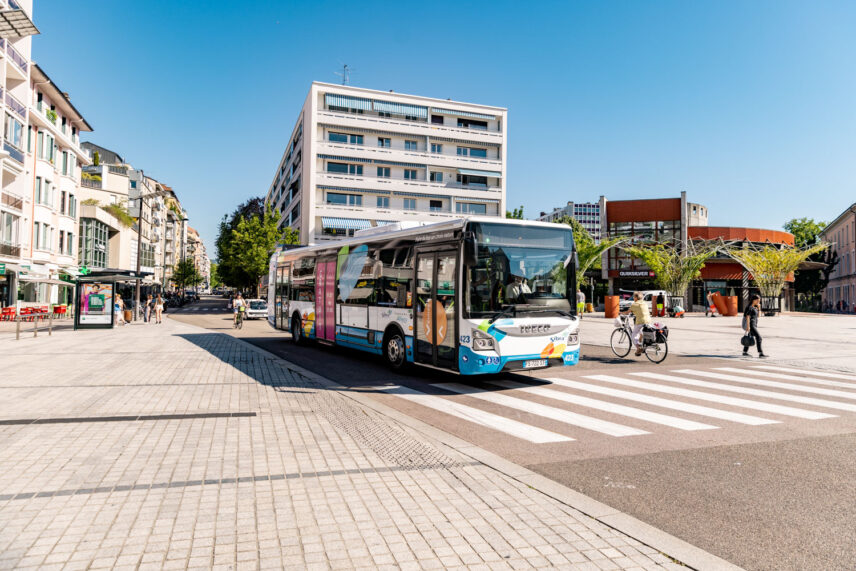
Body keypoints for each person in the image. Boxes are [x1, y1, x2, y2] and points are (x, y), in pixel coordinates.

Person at [622, 291, 653, 356]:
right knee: (642, 333)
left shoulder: (635, 304)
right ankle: (641, 343)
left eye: (634, 297)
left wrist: (620, 313)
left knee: (634, 335)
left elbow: (628, 312)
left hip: (640, 322)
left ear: (636, 297)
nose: (633, 298)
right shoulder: (645, 303)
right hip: (649, 321)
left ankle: (638, 348)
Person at [742, 294, 766, 358]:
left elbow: (759, 316)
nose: (758, 302)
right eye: (758, 301)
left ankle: (745, 352)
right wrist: (748, 326)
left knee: (749, 337)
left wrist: (759, 308)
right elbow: (747, 316)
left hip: (754, 324)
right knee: (759, 337)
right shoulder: (749, 307)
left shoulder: (754, 307)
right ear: (753, 300)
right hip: (751, 325)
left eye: (759, 301)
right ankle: (760, 353)